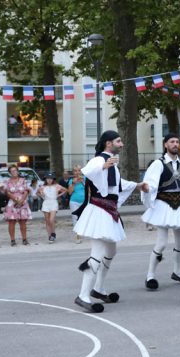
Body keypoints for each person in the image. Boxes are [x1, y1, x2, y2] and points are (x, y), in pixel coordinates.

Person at [72, 131, 145, 313]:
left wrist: (137, 185)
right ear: (108, 143)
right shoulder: (99, 160)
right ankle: (83, 295)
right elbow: (88, 171)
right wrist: (103, 166)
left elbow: (117, 185)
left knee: (111, 251)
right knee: (97, 253)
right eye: (118, 141)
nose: (121, 144)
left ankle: (98, 288)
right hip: (99, 212)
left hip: (109, 211)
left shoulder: (112, 162)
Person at [142, 134, 180, 291]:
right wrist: (148, 192)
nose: (175, 144)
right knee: (161, 243)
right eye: (172, 142)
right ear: (165, 145)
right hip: (163, 204)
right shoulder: (158, 164)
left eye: (177, 142)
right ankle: (150, 275)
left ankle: (177, 272)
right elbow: (151, 184)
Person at [1, 165, 32, 246]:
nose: (14, 172)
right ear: (10, 173)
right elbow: (7, 192)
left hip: (23, 202)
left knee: (23, 222)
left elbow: (26, 191)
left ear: (18, 171)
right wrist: (15, 200)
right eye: (12, 171)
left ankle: (24, 239)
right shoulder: (7, 182)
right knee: (11, 222)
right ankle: (12, 240)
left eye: (15, 170)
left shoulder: (23, 180)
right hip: (12, 203)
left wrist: (22, 200)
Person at [38, 173, 66, 243]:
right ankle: (50, 236)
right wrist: (42, 196)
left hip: (53, 202)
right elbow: (37, 193)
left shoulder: (56, 186)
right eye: (48, 178)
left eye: (51, 178)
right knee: (47, 220)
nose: (49, 180)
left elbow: (65, 190)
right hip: (46, 203)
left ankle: (53, 233)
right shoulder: (42, 187)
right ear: (45, 179)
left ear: (53, 179)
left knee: (51, 219)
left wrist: (58, 195)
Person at [67, 165, 86, 243]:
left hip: (84, 201)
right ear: (73, 172)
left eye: (79, 170)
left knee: (84, 218)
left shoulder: (85, 178)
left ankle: (83, 232)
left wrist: (82, 182)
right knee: (75, 218)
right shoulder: (71, 181)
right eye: (75, 171)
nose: (77, 172)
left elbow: (89, 189)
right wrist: (74, 183)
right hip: (74, 202)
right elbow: (69, 192)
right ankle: (78, 236)